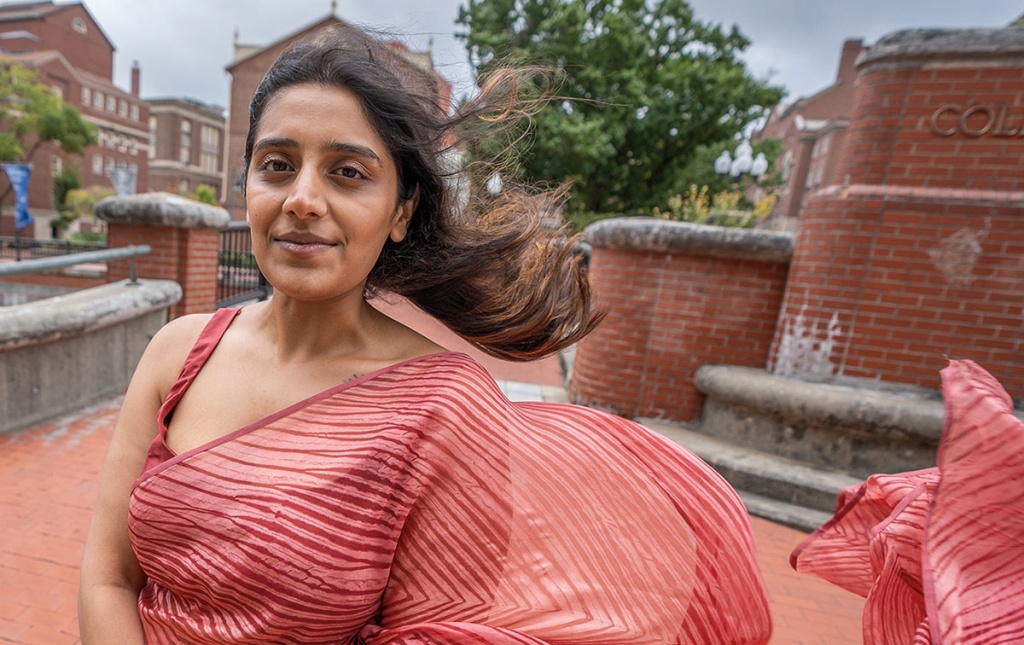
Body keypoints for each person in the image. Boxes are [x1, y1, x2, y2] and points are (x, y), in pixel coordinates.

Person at [79, 28, 772, 645]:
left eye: (348, 172)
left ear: (402, 210)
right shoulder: (180, 351)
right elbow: (108, 576)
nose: (302, 198)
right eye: (277, 164)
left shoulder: (439, 405)